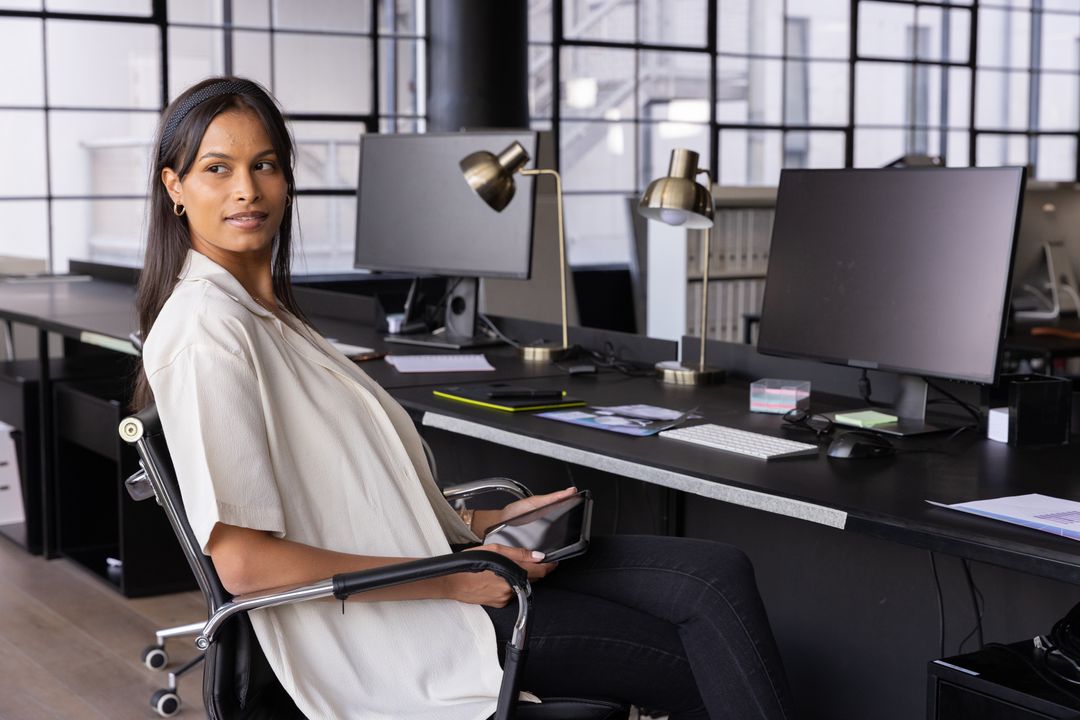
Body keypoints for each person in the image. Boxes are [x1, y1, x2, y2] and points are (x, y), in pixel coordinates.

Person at [135, 76, 794, 720]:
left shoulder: (265, 315)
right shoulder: (206, 331)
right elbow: (247, 566)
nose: (246, 189)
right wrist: (454, 576)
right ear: (176, 187)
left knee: (716, 572)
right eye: (217, 169)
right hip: (404, 628)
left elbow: (345, 496)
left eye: (264, 165)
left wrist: (485, 524)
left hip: (440, 572)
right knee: (698, 659)